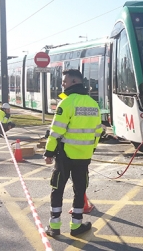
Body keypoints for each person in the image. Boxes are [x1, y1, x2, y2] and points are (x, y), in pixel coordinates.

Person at [44, 69, 103, 237]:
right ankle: (76, 226)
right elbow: (98, 133)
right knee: (80, 190)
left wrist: (48, 152)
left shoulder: (67, 103)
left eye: (64, 81)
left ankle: (54, 226)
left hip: (65, 155)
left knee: (57, 188)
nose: (62, 84)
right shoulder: (94, 104)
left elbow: (56, 132)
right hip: (84, 156)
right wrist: (90, 149)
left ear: (74, 82)